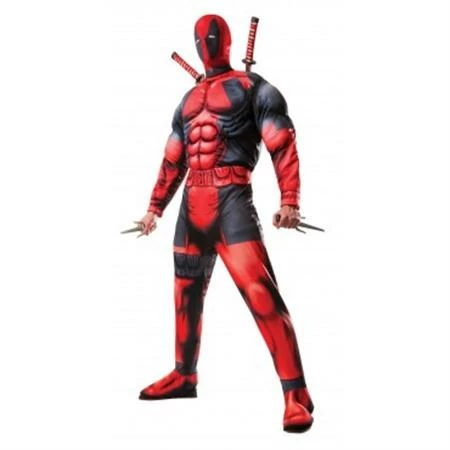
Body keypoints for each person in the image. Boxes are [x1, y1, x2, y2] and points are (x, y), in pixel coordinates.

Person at [137, 14, 314, 432]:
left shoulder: (253, 87)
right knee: (185, 293)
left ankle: (296, 394)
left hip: (232, 202)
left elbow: (281, 141)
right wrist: (154, 208)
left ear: (228, 41)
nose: (207, 43)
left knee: (261, 295)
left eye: (212, 37)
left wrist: (289, 200)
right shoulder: (187, 100)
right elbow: (173, 158)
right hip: (191, 206)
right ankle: (184, 375)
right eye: (202, 39)